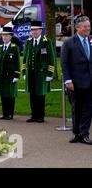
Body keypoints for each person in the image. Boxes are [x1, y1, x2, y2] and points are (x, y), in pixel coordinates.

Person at [61, 16, 92, 144]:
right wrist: (68, 81)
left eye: (89, 26)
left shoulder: (91, 41)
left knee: (88, 109)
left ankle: (84, 133)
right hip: (75, 83)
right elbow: (64, 63)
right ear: (77, 28)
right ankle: (76, 133)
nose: (88, 29)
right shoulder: (69, 43)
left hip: (90, 82)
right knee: (76, 108)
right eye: (85, 26)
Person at [22, 20, 55, 123]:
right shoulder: (28, 42)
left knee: (40, 95)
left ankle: (40, 116)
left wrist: (50, 73)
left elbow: (51, 58)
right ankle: (33, 115)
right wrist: (24, 72)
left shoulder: (46, 42)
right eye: (32, 30)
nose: (34, 32)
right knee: (32, 95)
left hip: (41, 74)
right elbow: (24, 58)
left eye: (36, 30)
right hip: (30, 73)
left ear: (41, 30)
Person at [0, 27, 20, 120]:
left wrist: (17, 75)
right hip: (1, 75)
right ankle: (5, 113)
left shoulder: (14, 48)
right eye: (3, 35)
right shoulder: (0, 48)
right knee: (3, 95)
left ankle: (10, 114)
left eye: (7, 35)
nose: (4, 37)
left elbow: (17, 62)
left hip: (11, 75)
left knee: (10, 95)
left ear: (10, 37)